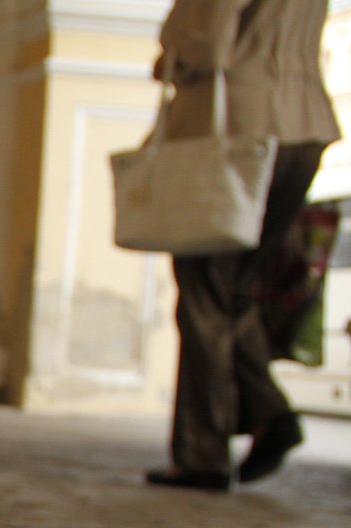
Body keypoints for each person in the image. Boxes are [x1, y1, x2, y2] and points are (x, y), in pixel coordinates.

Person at [145, 0, 341, 491]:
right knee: (234, 289)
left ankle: (202, 455)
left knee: (205, 290)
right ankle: (270, 417)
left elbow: (207, 46)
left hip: (236, 130)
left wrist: (171, 53)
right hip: (305, 129)